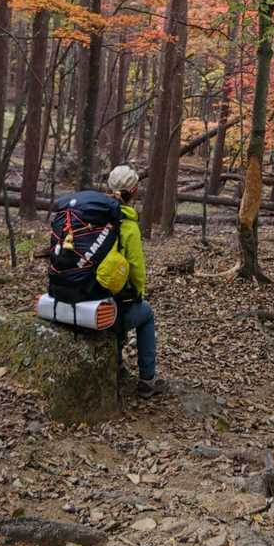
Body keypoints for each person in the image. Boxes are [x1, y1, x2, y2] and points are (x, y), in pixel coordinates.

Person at [107, 165, 163, 398]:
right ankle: (147, 380)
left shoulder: (95, 216)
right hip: (109, 309)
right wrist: (139, 292)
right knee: (145, 312)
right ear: (135, 191)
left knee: (117, 303)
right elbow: (136, 268)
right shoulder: (128, 225)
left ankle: (118, 365)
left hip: (83, 296)